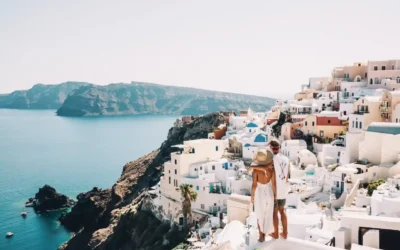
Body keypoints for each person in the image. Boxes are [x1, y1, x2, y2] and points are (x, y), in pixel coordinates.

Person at [248, 139, 290, 239]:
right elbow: (287, 176)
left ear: (271, 148)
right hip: (283, 189)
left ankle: (275, 233)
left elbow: (264, 168)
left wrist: (251, 166)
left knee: (274, 213)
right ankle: (285, 233)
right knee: (282, 211)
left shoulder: (271, 160)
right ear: (279, 148)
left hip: (274, 190)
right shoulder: (286, 159)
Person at [249, 149, 277, 242]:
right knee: (268, 215)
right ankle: (266, 233)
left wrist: (252, 196)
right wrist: (275, 196)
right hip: (269, 193)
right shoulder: (271, 170)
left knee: (260, 215)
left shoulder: (256, 171)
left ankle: (261, 237)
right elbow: (273, 184)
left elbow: (254, 185)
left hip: (260, 194)